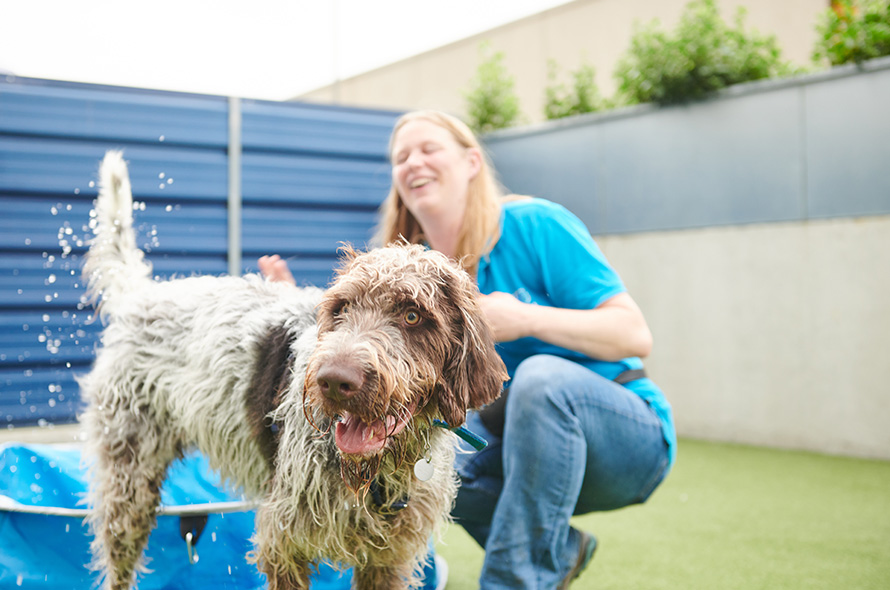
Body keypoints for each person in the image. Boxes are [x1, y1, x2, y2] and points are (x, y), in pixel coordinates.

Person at [262, 110, 676, 590]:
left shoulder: (536, 224)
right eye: (401, 156)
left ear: (472, 161)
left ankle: (514, 581)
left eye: (428, 148)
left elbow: (634, 333)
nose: (413, 162)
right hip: (518, 444)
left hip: (621, 436)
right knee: (432, 468)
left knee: (542, 381)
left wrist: (526, 319)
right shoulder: (408, 260)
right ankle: (559, 550)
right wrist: (302, 308)